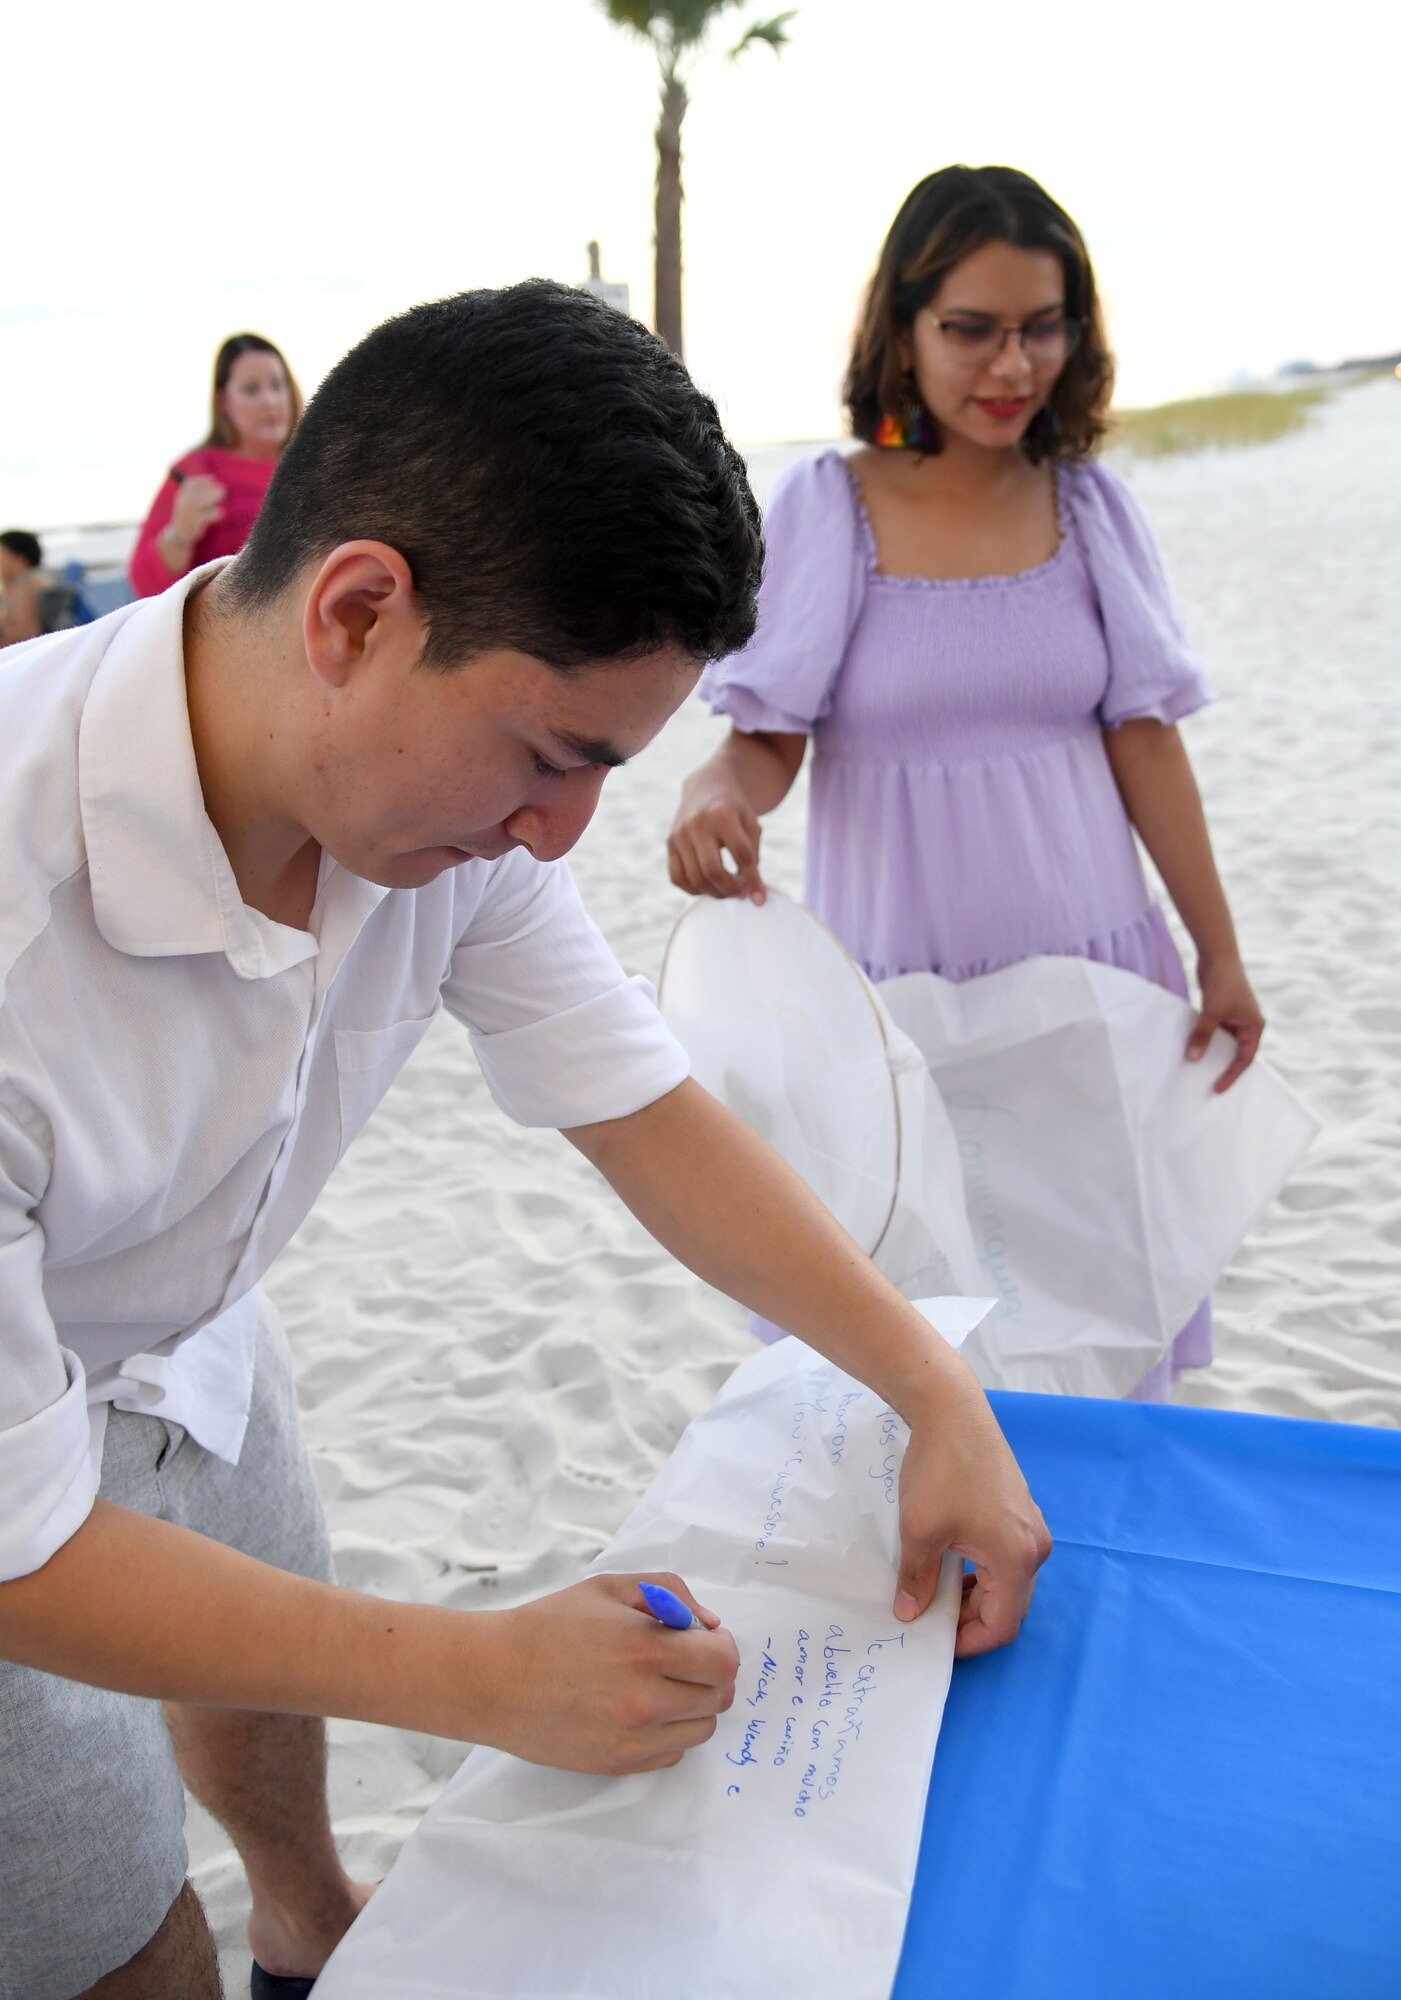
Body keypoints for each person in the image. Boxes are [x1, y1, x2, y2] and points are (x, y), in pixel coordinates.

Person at [0, 281, 1049, 1999]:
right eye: (553, 759)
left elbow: (644, 1110)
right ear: (355, 612)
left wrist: (930, 1386)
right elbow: (19, 1551)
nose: (560, 841)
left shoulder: (445, 819)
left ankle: (309, 1915)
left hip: (188, 1307)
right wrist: (479, 1674)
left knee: (272, 1649)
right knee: (112, 1933)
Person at [668, 165, 1266, 1402]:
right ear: (903, 329)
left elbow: (1146, 739)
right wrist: (709, 789)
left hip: (1094, 994)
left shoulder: (1091, 508)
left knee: (1102, 1342)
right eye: (973, 329)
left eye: (1042, 326)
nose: (1013, 364)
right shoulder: (832, 506)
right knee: (918, 1357)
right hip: (899, 1005)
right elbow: (768, 734)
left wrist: (1219, 951)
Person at [128, 333, 302, 597]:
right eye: (251, 389)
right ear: (223, 402)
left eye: (277, 385)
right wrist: (180, 533)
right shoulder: (196, 471)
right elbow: (143, 583)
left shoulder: (317, 463)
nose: (269, 400)